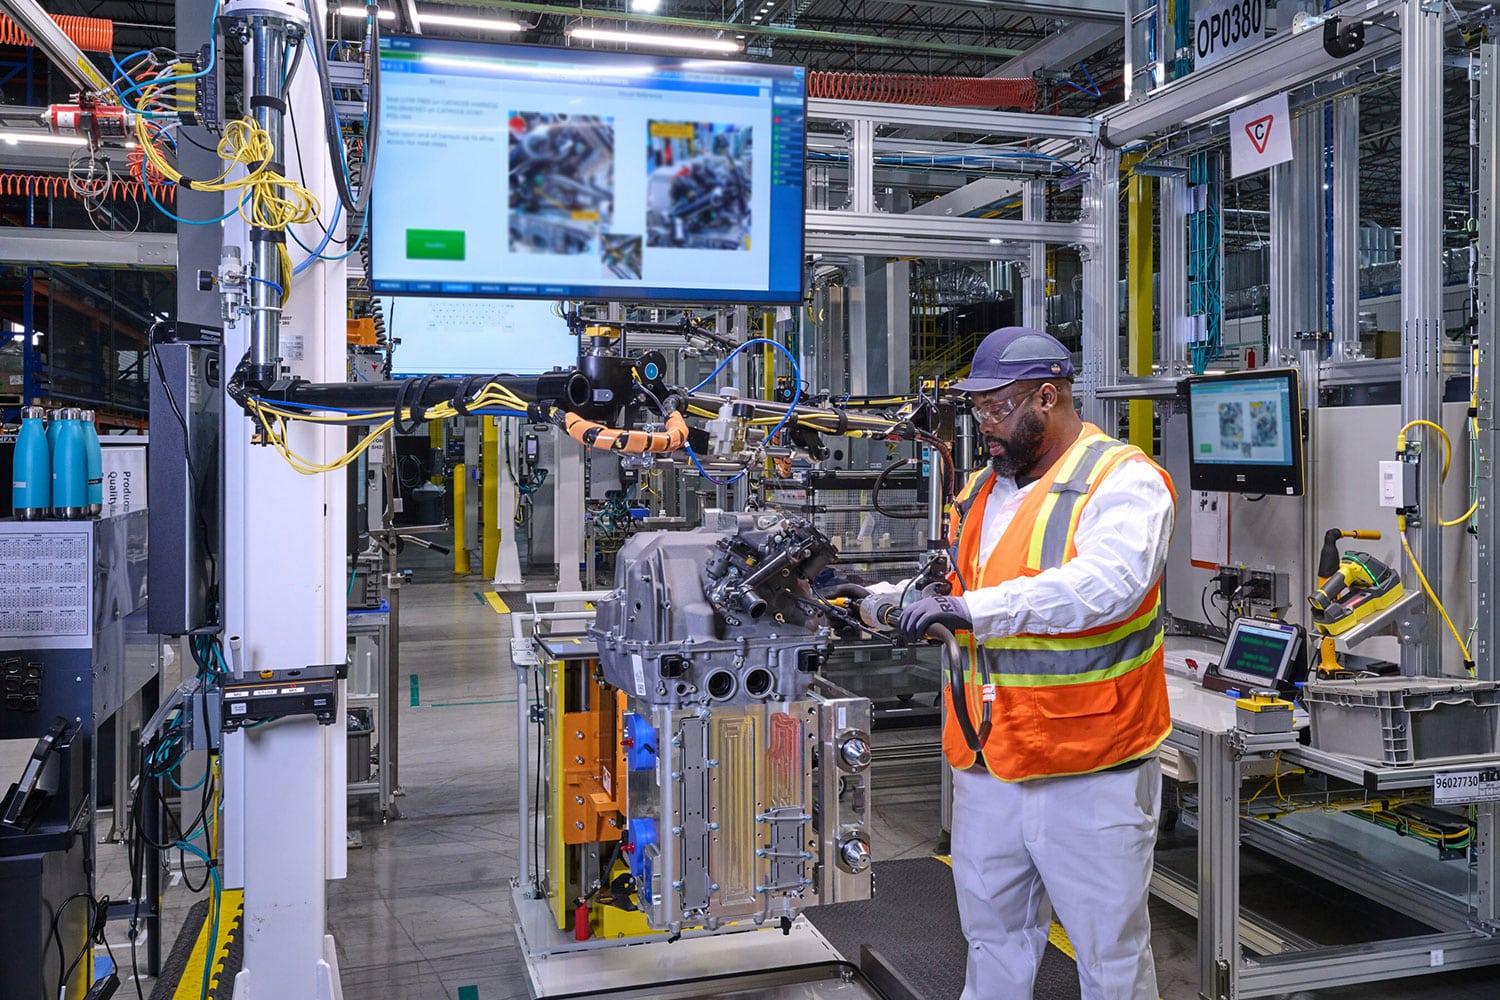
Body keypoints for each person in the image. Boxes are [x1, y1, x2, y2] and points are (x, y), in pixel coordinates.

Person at [894, 326, 1177, 1000]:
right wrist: (874, 600)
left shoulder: (1123, 480)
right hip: (989, 762)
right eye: (978, 410)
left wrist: (972, 612)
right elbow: (959, 596)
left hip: (1090, 767)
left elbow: (1104, 587)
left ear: (1047, 397)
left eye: (998, 408)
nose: (984, 425)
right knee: (993, 943)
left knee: (1110, 959)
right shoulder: (981, 494)